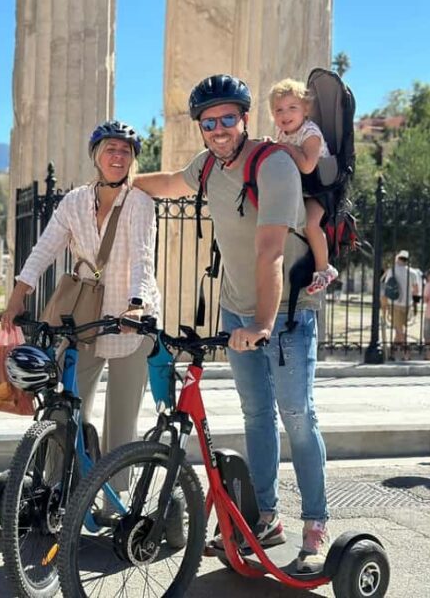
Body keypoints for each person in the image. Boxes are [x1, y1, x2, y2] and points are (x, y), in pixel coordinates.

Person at [132, 74, 329, 573]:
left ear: (244, 119)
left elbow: (270, 253)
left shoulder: (274, 163)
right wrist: (122, 182)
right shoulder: (206, 167)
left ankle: (315, 526)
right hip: (236, 309)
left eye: (227, 118)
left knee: (297, 417)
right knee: (256, 416)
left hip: (286, 314)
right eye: (208, 121)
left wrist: (263, 323)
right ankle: (265, 518)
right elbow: (170, 182)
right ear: (200, 127)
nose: (218, 129)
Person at [1, 120, 161, 492]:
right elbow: (45, 247)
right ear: (96, 156)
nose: (117, 156)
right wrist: (17, 296)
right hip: (85, 316)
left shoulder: (139, 202)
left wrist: (136, 305)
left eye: (125, 150)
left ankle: (116, 504)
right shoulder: (74, 201)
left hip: (130, 322)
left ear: (132, 158)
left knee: (121, 421)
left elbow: (142, 257)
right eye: (110, 149)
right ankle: (57, 490)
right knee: (64, 407)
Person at [268, 78, 337, 295]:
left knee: (311, 224)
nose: (284, 114)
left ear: (305, 110)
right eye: (278, 110)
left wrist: (287, 148)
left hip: (322, 189)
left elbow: (307, 166)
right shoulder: (283, 134)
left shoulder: (310, 133)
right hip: (303, 189)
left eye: (292, 108)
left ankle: (325, 269)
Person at [381, 250, 421, 347]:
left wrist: (384, 306)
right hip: (408, 303)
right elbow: (416, 290)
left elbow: (387, 287)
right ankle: (393, 350)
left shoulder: (392, 271)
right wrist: (415, 305)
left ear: (398, 259)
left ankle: (406, 351)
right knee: (400, 326)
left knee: (399, 328)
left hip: (395, 303)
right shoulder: (413, 272)